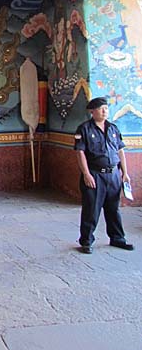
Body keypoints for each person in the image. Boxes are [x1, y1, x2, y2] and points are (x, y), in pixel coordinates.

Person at [74, 96, 134, 254]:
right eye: (101, 109)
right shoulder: (84, 129)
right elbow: (80, 153)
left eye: (106, 108)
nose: (105, 111)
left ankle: (117, 238)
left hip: (113, 174)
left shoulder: (113, 129)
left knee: (113, 209)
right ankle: (86, 241)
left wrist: (125, 173)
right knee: (91, 209)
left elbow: (120, 151)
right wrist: (86, 174)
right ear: (92, 112)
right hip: (95, 174)